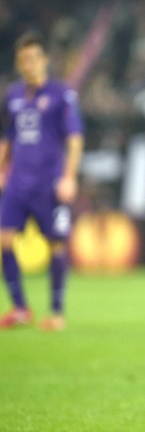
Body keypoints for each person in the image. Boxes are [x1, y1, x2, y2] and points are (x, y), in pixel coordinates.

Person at [0, 32, 84, 332]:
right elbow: (8, 139)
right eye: (23, 59)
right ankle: (20, 308)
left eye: (34, 58)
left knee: (56, 245)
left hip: (48, 183)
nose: (29, 64)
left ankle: (56, 312)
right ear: (18, 64)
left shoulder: (62, 95)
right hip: (17, 184)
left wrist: (69, 177)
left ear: (44, 60)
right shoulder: (12, 96)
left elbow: (74, 139)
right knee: (4, 240)